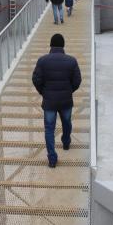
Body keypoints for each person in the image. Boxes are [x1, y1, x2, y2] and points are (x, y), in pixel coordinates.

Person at [32, 33, 82, 168]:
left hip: (49, 103)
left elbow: (36, 79)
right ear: (63, 46)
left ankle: (52, 158)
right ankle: (66, 142)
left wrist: (43, 92)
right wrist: (69, 90)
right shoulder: (71, 61)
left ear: (51, 45)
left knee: (49, 129)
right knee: (66, 123)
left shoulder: (42, 61)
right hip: (66, 101)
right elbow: (77, 80)